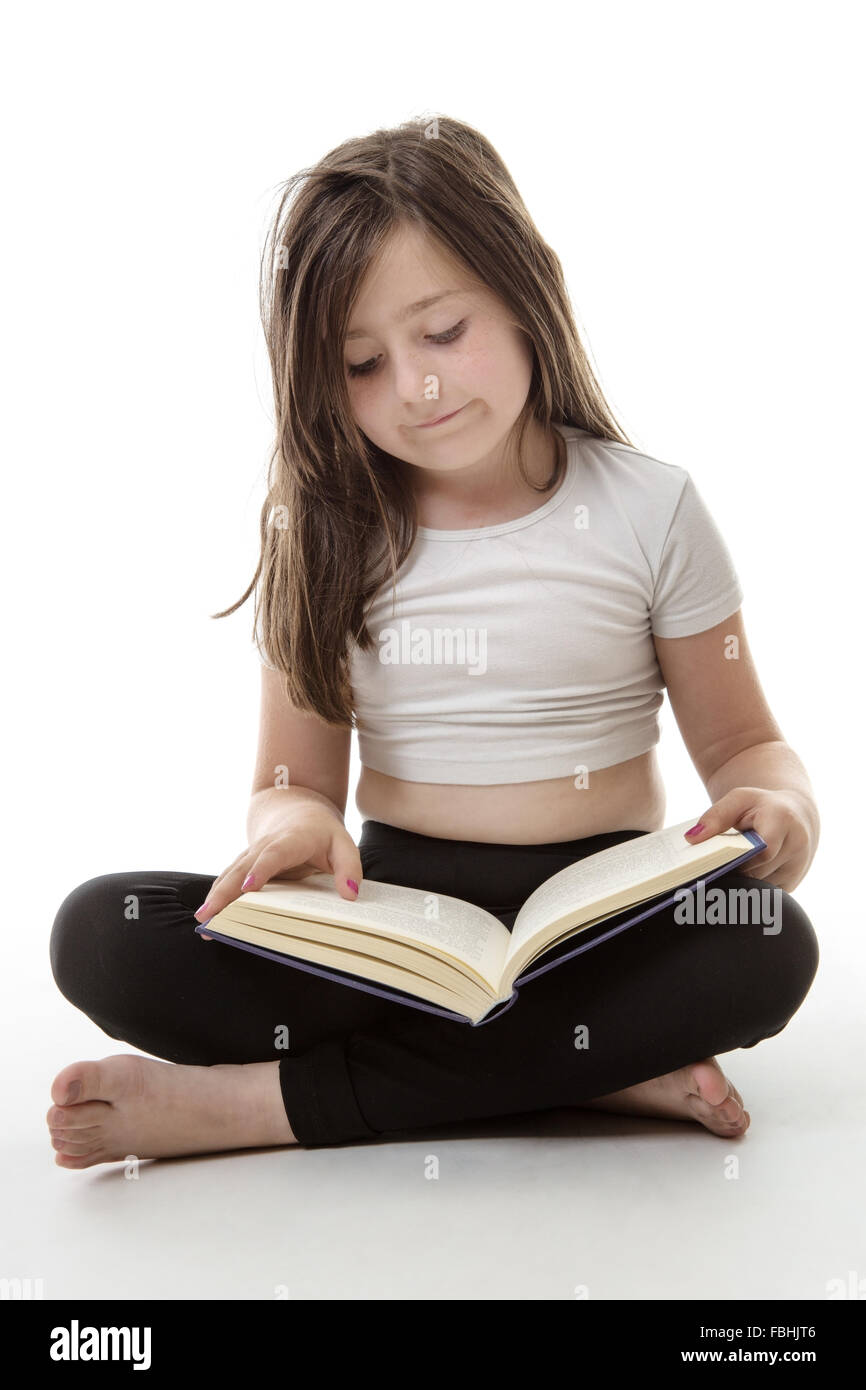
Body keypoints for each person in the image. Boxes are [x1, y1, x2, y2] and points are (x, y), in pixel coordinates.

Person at [47, 116, 820, 1165]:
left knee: (765, 949)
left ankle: (256, 1108)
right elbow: (294, 782)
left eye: (442, 333)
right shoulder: (322, 534)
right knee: (105, 931)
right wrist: (289, 821)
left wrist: (779, 810)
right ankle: (594, 1067)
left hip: (594, 927)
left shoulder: (650, 509)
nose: (413, 387)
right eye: (361, 362)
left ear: (524, 286)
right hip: (393, 921)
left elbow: (743, 751)